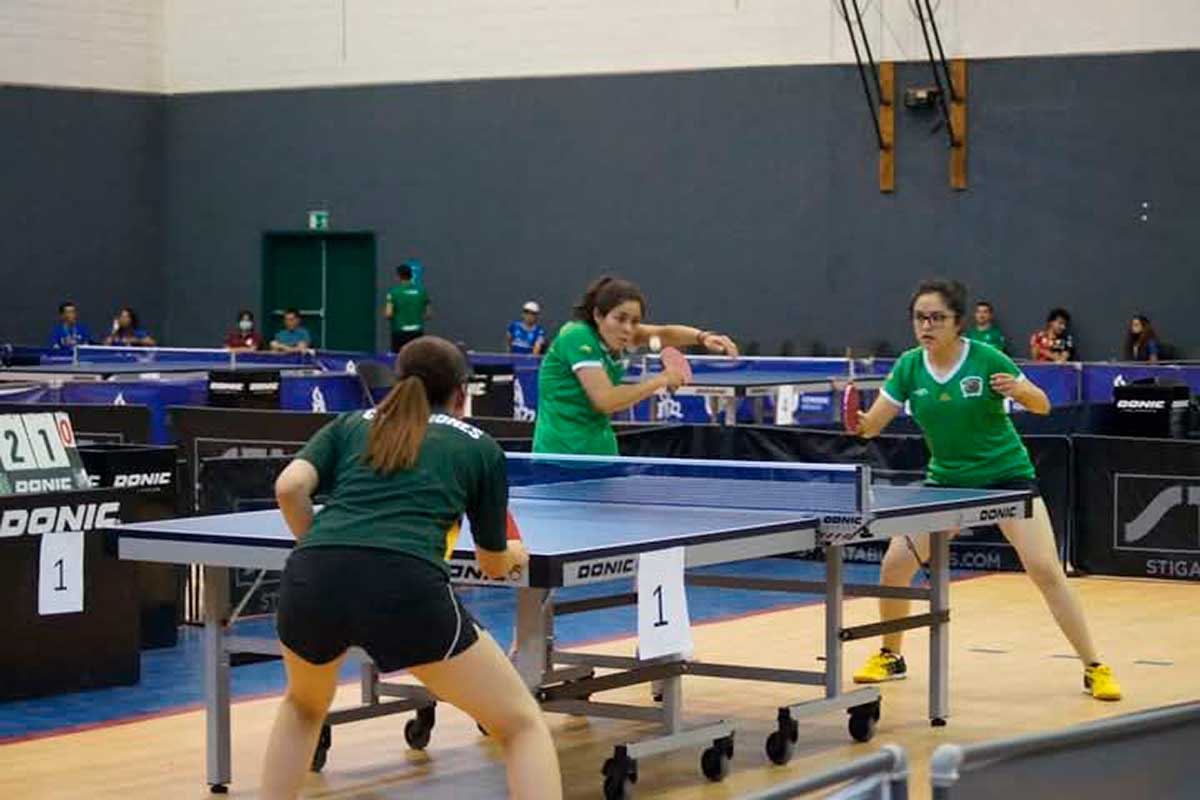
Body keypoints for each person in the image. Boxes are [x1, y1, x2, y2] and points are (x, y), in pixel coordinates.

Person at [261, 337, 561, 800]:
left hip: (312, 573)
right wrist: (515, 555)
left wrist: (327, 550)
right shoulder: (479, 446)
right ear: (463, 391)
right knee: (521, 725)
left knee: (302, 706)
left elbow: (288, 487)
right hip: (405, 587)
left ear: (399, 382)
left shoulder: (348, 424)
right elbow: (493, 563)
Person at [852, 279, 1120, 701]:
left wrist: (1021, 390)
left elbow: (1043, 405)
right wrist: (860, 423)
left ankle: (1094, 665)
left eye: (937, 317)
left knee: (1047, 571)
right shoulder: (908, 366)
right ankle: (891, 654)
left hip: (1007, 477)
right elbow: (872, 426)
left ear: (957, 323)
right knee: (895, 565)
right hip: (948, 483)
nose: (927, 325)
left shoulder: (985, 357)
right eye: (920, 317)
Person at [533, 275, 738, 456]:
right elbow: (605, 400)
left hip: (601, 453)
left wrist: (703, 338)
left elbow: (664, 333)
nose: (628, 329)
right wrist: (662, 379)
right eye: (620, 318)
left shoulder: (622, 334)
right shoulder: (577, 335)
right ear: (598, 315)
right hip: (559, 456)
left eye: (635, 321)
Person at [384, 263, 431, 352]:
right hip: (417, 332)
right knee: (416, 358)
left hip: (399, 332)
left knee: (399, 359)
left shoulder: (394, 292)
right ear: (411, 275)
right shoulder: (422, 292)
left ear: (398, 276)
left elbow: (388, 314)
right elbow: (428, 315)